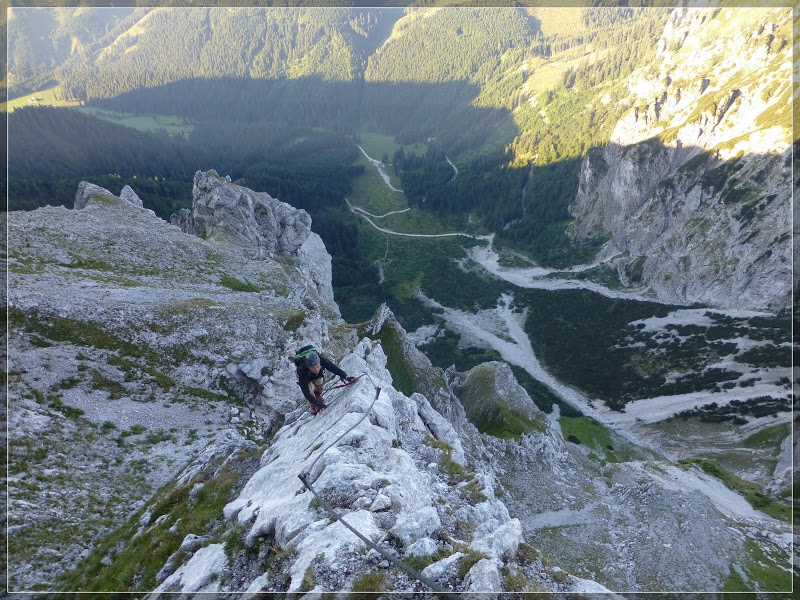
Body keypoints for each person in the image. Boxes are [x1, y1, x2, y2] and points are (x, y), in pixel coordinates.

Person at [296, 349, 354, 414]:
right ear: (308, 367)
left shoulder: (321, 360)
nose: (316, 369)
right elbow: (306, 393)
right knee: (310, 391)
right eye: (313, 368)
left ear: (319, 362)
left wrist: (346, 377)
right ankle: (313, 405)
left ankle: (317, 394)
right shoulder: (301, 370)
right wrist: (317, 403)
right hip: (307, 379)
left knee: (320, 385)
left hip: (317, 376)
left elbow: (333, 368)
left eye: (318, 366)